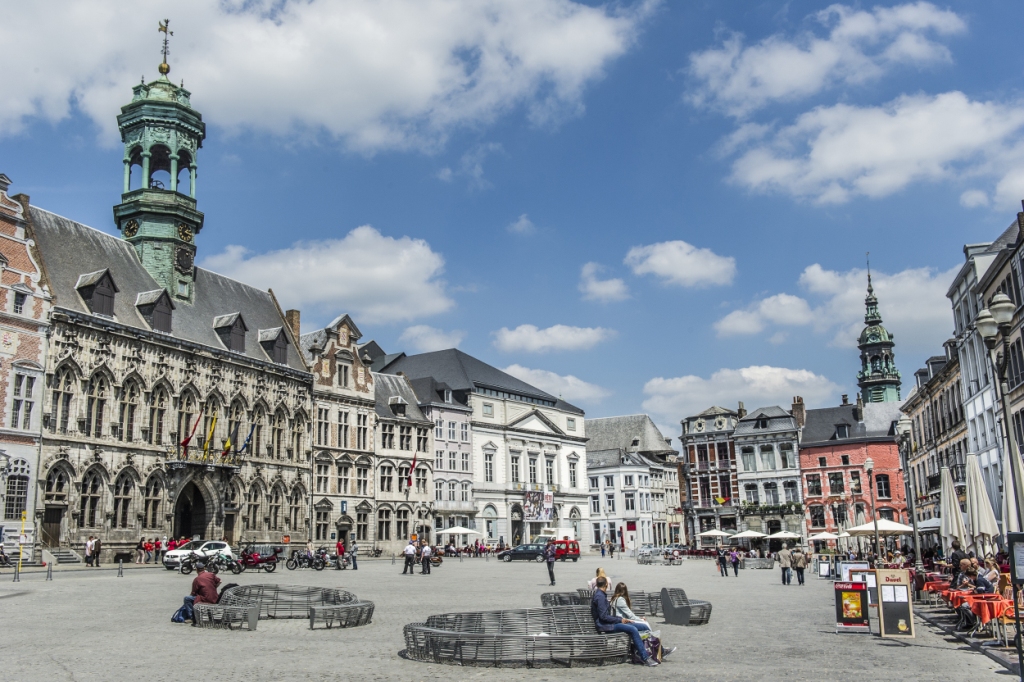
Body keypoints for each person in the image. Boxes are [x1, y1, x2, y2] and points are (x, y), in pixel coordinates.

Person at [590, 576, 660, 667]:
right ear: (606, 584)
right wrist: (620, 620)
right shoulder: (600, 597)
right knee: (632, 629)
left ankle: (660, 651)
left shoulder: (601, 595)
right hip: (606, 626)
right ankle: (645, 657)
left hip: (609, 623)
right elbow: (604, 617)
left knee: (644, 627)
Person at [188, 561, 221, 626]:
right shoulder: (211, 574)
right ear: (204, 568)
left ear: (196, 570)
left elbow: (193, 593)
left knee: (187, 599)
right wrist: (214, 587)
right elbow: (219, 581)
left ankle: (192, 617)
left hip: (205, 599)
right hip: (215, 597)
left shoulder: (197, 579)